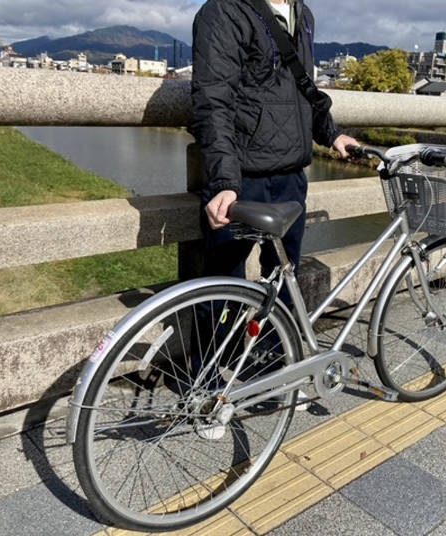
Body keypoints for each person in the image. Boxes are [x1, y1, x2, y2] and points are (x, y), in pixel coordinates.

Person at [186, 0, 359, 428]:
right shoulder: (224, 12)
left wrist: (332, 135)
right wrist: (224, 180)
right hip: (242, 177)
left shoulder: (304, 15)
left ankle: (272, 368)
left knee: (283, 280)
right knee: (224, 285)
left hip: (291, 178)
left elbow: (303, 90)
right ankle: (205, 387)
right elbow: (213, 100)